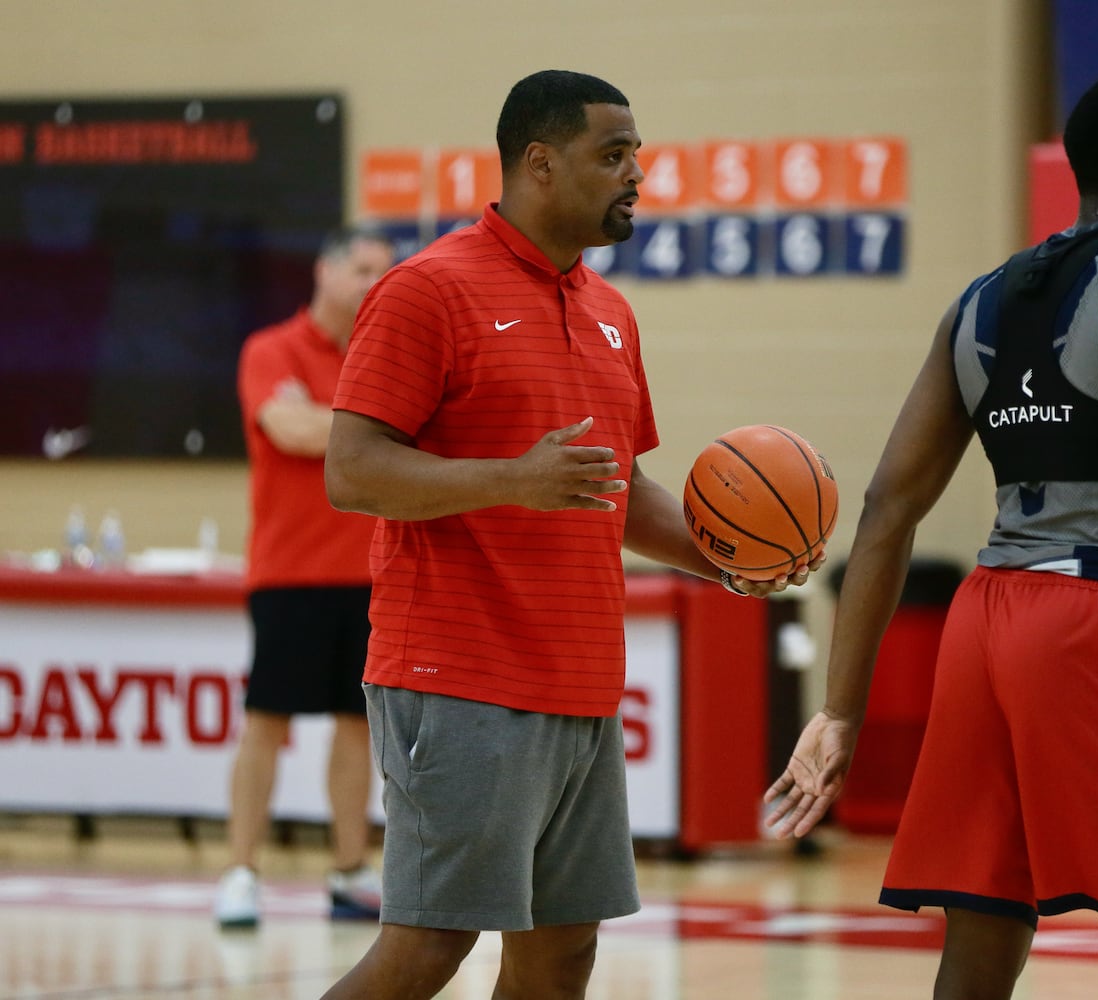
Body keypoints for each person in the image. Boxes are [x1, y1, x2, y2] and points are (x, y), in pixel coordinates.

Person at [766, 71, 1098, 1000]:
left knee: (979, 935)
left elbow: (887, 506)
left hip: (981, 627)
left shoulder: (980, 300)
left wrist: (837, 709)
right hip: (1090, 621)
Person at [315, 70, 815, 1000]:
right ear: (538, 163)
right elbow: (351, 470)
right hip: (458, 677)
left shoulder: (609, 311)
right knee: (431, 944)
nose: (636, 177)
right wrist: (512, 479)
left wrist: (737, 560)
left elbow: (615, 491)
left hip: (580, 683)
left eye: (638, 157)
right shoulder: (426, 289)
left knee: (561, 953)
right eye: (612, 156)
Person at [215, 226, 396, 929]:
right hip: (289, 574)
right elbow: (287, 429)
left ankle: (348, 871)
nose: (372, 284)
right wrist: (374, 426)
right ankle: (240, 872)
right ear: (323, 271)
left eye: (384, 272)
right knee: (266, 720)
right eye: (360, 269)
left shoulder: (385, 355)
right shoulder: (270, 349)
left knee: (358, 727)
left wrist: (339, 421)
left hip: (374, 573)